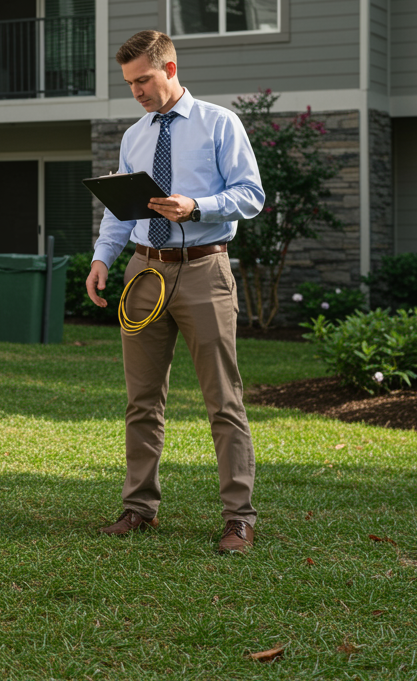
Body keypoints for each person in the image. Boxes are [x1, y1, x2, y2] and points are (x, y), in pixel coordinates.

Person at [85, 30, 265, 554]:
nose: (136, 91)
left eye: (143, 79)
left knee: (223, 400)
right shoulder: (134, 135)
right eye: (129, 83)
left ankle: (239, 517)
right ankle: (139, 508)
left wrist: (198, 206)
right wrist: (102, 258)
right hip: (145, 272)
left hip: (204, 272)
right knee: (141, 401)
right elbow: (123, 207)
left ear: (170, 68)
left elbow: (251, 196)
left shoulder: (218, 123)